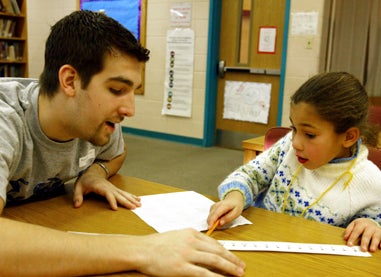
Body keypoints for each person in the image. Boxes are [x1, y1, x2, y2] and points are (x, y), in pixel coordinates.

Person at [0, 10, 246, 277]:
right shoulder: (6, 119)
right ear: (70, 81)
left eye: (133, 91)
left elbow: (116, 153)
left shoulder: (95, 121)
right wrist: (144, 251)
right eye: (117, 90)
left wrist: (96, 173)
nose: (130, 109)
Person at [208, 72, 381, 253]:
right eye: (294, 128)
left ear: (348, 136)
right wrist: (235, 196)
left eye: (310, 135)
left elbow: (374, 220)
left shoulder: (370, 180)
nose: (295, 142)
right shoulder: (287, 147)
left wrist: (371, 224)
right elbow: (251, 174)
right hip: (259, 242)